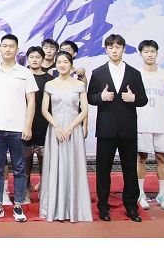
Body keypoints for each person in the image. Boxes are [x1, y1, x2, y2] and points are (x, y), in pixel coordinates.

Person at [87, 34, 148, 222]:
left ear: (123, 49)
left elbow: (143, 99)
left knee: (130, 169)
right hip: (106, 129)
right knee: (103, 170)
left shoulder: (134, 73)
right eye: (111, 47)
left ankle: (131, 207)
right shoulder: (98, 73)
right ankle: (103, 207)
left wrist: (134, 98)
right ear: (106, 49)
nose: (114, 50)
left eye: (118, 47)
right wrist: (101, 97)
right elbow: (90, 97)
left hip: (128, 129)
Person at [0, 34, 37, 223]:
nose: (7, 49)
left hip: (18, 129)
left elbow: (31, 101)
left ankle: (18, 205)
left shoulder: (25, 73)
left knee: (19, 169)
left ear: (17, 49)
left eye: (11, 46)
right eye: (4, 46)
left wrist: (27, 126)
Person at [39, 51, 92, 222]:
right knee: (55, 165)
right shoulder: (49, 84)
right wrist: (57, 126)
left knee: (73, 165)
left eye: (65, 62)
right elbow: (44, 110)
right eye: (59, 62)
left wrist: (70, 128)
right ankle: (54, 209)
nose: (62, 65)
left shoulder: (79, 85)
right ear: (55, 65)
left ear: (71, 64)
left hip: (73, 130)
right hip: (55, 129)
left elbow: (84, 110)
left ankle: (74, 209)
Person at [136, 40, 164, 211]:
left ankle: (163, 194)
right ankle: (140, 193)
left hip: (161, 121)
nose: (149, 54)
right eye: (146, 51)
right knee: (141, 158)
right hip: (142, 122)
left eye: (152, 51)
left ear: (157, 53)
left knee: (161, 158)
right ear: (141, 54)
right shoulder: (136, 74)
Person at [23, 46, 53, 203]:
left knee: (44, 160)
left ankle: (44, 188)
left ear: (43, 59)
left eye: (37, 57)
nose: (34, 60)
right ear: (27, 59)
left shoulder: (50, 80)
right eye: (31, 57)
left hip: (44, 125)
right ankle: (25, 188)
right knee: (25, 160)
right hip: (24, 124)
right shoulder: (22, 76)